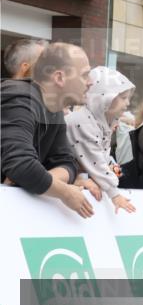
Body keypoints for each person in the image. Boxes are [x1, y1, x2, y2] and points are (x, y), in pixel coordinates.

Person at [1, 43, 96, 217]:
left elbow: (67, 163)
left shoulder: (54, 108)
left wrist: (37, 180)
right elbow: (21, 165)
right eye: (84, 75)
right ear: (59, 78)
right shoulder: (19, 98)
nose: (90, 82)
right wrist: (65, 193)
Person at [66, 66, 137, 213]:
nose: (128, 104)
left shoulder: (101, 122)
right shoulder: (83, 122)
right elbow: (96, 161)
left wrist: (121, 176)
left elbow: (104, 156)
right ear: (104, 98)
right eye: (123, 98)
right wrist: (114, 194)